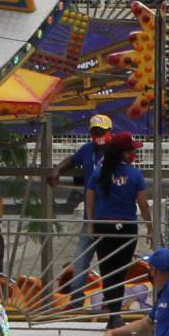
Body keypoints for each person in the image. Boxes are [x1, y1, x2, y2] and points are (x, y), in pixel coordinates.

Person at [45, 114, 113, 302]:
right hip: (90, 217)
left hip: (112, 216)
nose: (98, 135)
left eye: (102, 131)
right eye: (95, 132)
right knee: (81, 257)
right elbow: (72, 159)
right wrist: (57, 169)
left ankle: (111, 299)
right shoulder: (88, 149)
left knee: (109, 259)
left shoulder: (116, 151)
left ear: (110, 132)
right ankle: (76, 297)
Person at [84, 132, 149, 321]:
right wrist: (150, 227)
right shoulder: (135, 174)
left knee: (107, 271)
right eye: (130, 151)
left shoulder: (100, 172)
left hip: (103, 227)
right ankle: (115, 315)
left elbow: (89, 198)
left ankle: (112, 312)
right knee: (120, 272)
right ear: (123, 153)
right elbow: (143, 205)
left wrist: (91, 222)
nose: (132, 154)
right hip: (127, 228)